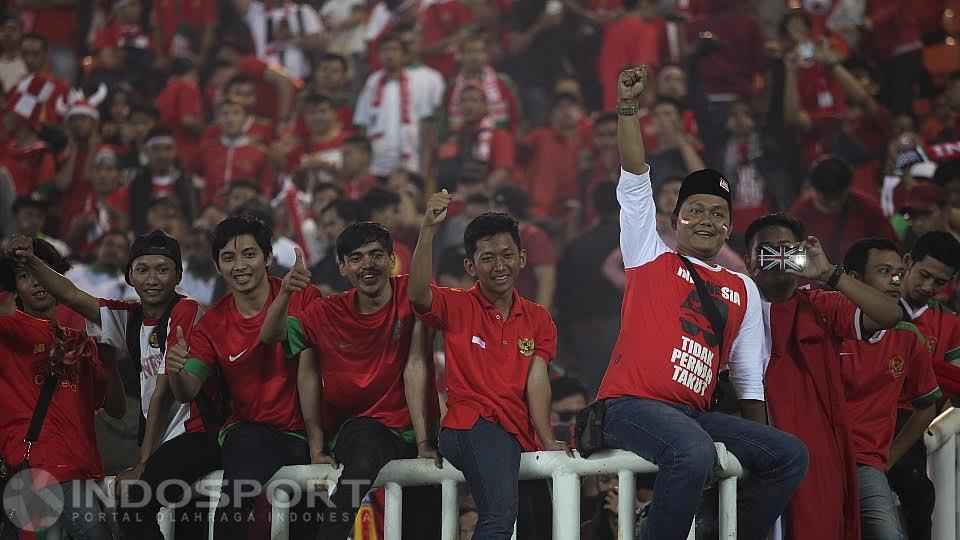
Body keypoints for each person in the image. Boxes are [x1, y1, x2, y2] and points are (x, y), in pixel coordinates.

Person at [596, 66, 809, 540]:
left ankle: (718, 533)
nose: (707, 219)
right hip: (630, 405)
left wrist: (756, 448)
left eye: (718, 213)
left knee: (790, 454)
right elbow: (634, 179)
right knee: (693, 451)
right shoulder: (648, 253)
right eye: (695, 211)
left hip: (692, 414)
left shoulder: (743, 287)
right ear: (676, 220)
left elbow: (750, 383)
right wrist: (628, 109)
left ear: (730, 226)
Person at [7, 230, 221, 540]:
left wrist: (143, 464)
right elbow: (72, 296)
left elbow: (162, 394)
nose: (152, 278)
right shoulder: (129, 318)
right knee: (183, 527)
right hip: (168, 446)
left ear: (178, 275)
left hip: (197, 435)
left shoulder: (185, 311)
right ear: (129, 275)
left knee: (135, 507)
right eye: (143, 269)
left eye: (162, 269)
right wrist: (30, 260)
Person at [258, 221, 441, 539]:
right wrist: (287, 291)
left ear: (391, 260)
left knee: (423, 528)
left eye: (376, 255)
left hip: (418, 435)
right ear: (342, 267)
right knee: (364, 448)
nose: (367, 264)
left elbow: (415, 367)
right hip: (362, 430)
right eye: (356, 258)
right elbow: (270, 334)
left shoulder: (411, 294)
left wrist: (425, 442)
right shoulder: (325, 312)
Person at [410, 197, 569, 539]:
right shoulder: (456, 304)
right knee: (499, 516)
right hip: (472, 424)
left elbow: (537, 382)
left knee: (540, 527)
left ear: (522, 258)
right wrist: (427, 231)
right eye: (488, 258)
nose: (500, 265)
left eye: (507, 255)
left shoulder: (539, 317)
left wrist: (546, 438)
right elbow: (419, 294)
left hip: (518, 436)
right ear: (471, 266)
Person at [742, 213, 904, 540]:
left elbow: (889, 315)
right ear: (748, 261)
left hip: (816, 453)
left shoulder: (821, 304)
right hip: (751, 450)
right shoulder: (734, 303)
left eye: (787, 249)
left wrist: (830, 273)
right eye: (767, 251)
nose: (778, 259)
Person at [165, 216, 323, 539]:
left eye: (249, 254)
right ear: (218, 266)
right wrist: (175, 371)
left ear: (268, 258)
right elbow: (186, 391)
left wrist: (318, 445)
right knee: (236, 497)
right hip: (248, 434)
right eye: (228, 257)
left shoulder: (304, 296)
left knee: (312, 528)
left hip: (303, 436)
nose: (240, 265)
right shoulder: (212, 324)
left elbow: (304, 364)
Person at [0, 238, 125, 540]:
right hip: (36, 470)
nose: (37, 281)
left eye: (43, 272)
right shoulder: (7, 332)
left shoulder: (81, 341)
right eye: (25, 274)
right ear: (14, 288)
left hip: (84, 472)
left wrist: (111, 362)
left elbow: (116, 408)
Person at [839, 238, 941, 539]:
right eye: (884, 271)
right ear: (854, 279)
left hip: (865, 462)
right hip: (816, 455)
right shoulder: (825, 326)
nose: (896, 280)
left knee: (888, 534)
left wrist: (890, 456)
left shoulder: (908, 337)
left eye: (899, 272)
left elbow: (927, 406)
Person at [889, 230, 960, 540]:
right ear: (908, 262)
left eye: (940, 283)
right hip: (873, 414)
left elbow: (954, 382)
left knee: (919, 496)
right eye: (924, 275)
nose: (929, 287)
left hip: (917, 421)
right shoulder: (874, 306)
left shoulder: (952, 323)